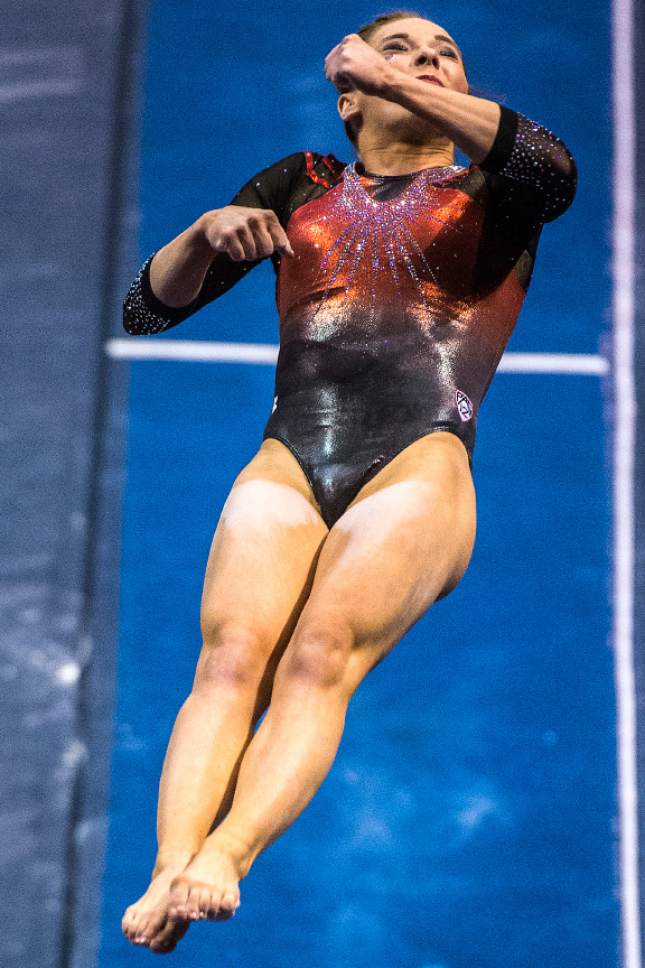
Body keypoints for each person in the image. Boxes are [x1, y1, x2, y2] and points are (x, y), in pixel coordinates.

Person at [121, 9, 577, 953]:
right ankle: (170, 867)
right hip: (293, 450)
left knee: (321, 654)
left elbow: (554, 168)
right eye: (405, 49)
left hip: (421, 454)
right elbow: (146, 309)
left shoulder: (498, 187)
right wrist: (207, 231)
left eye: (447, 53)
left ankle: (228, 854)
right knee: (230, 660)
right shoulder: (304, 182)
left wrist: (403, 79)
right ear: (346, 99)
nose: (431, 62)